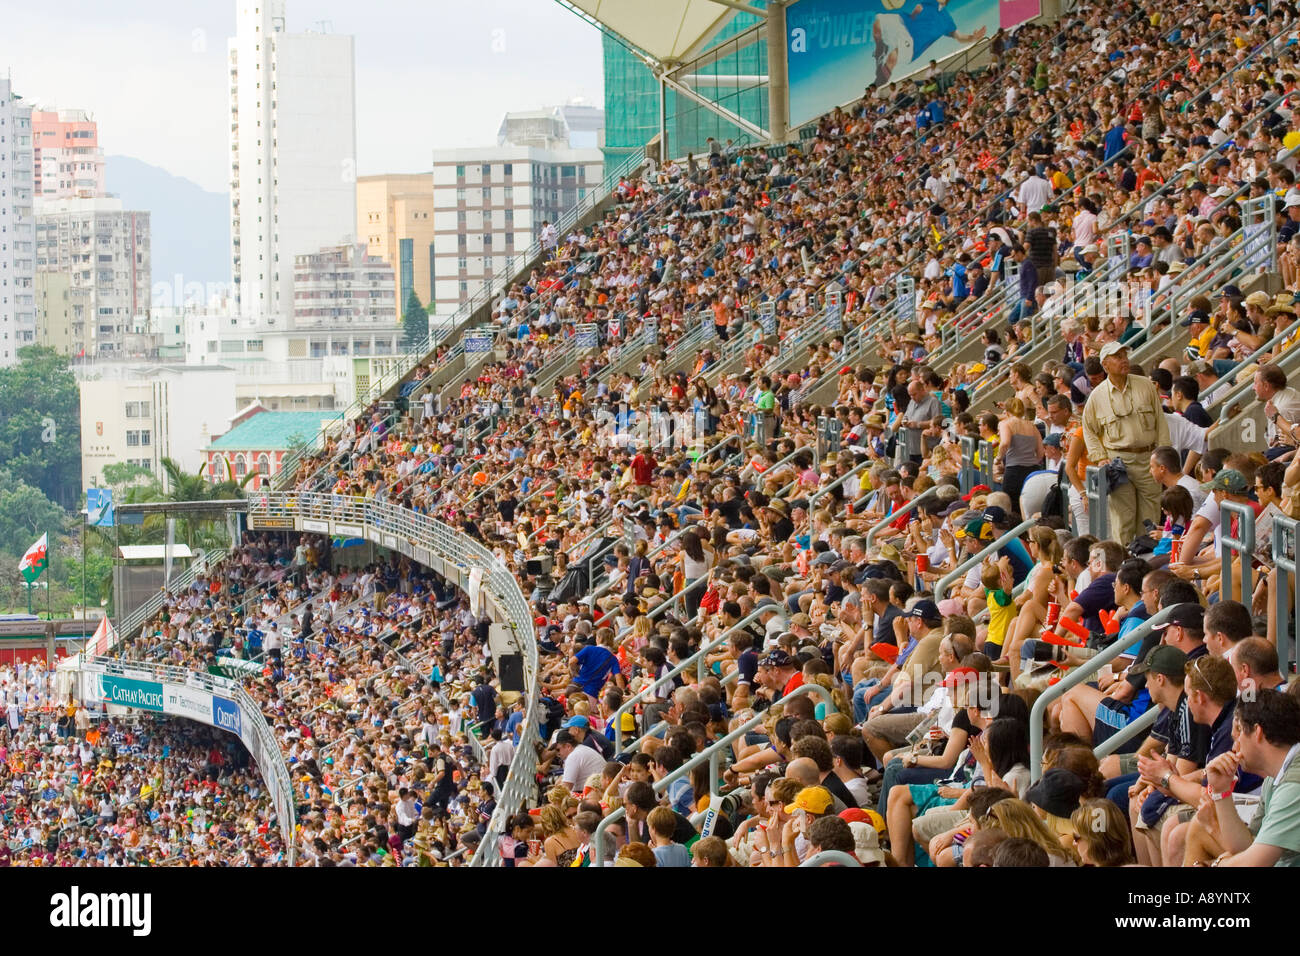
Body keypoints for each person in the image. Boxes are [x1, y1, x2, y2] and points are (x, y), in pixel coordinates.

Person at [1082, 342, 1170, 543]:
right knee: (1123, 517)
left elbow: (1160, 422)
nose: (1124, 360)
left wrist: (1164, 454)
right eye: (1117, 356)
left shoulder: (1146, 385)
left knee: (1150, 516)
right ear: (1105, 365)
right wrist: (1100, 457)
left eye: (1124, 355)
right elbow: (1089, 430)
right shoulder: (1096, 397)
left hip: (1149, 460)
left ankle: (1146, 561)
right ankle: (1124, 562)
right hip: (1118, 462)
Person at [1203, 690, 1300, 866]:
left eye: (1238, 734)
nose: (1234, 747)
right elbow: (1245, 847)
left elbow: (1252, 863)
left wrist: (1216, 864)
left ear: (1257, 732)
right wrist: (1221, 791)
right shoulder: (1274, 777)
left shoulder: (1294, 785)